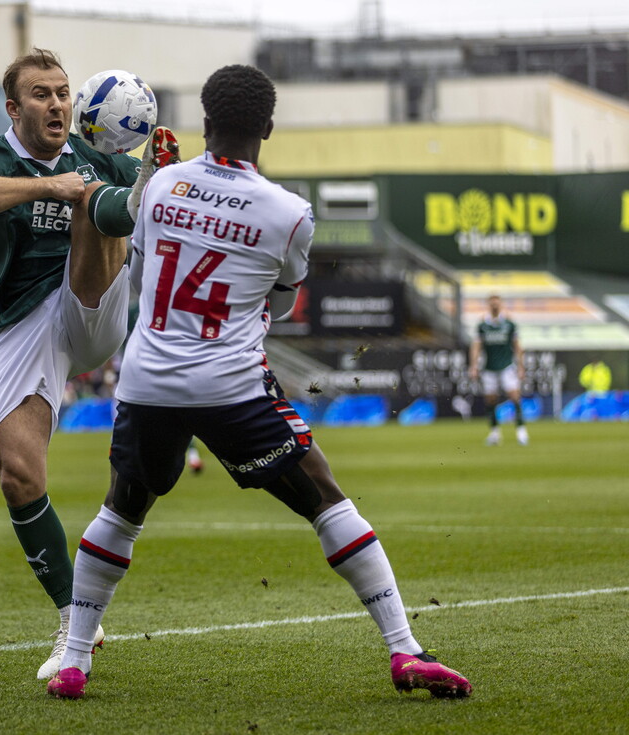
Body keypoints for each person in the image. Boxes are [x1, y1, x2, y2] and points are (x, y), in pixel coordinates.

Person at [46, 64, 472, 701]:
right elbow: (284, 301)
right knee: (326, 498)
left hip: (148, 381)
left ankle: (75, 659)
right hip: (231, 386)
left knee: (122, 509)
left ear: (206, 122)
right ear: (268, 128)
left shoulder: (160, 186)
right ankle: (404, 649)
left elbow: (118, 222)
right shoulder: (291, 215)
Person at [0, 48, 180, 680]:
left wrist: (145, 183)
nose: (57, 104)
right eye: (42, 95)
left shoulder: (92, 159)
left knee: (94, 200)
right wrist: (51, 183)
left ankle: (133, 195)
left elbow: (106, 209)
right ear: (14, 108)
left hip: (92, 304)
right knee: (17, 474)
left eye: (64, 93)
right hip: (25, 321)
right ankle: (77, 621)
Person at [469, 294, 527, 445]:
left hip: (507, 366)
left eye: (497, 303)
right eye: (492, 303)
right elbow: (476, 347)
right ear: (489, 305)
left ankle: (521, 431)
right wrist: (473, 366)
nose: (494, 305)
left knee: (515, 397)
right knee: (490, 401)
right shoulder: (482, 325)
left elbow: (517, 346)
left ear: (500, 305)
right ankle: (495, 433)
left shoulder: (509, 324)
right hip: (489, 368)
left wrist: (521, 366)